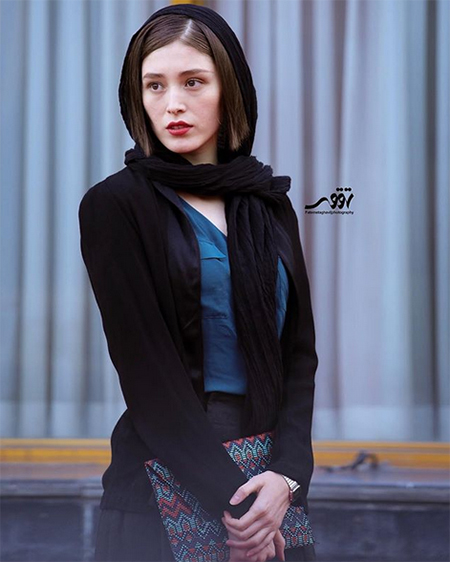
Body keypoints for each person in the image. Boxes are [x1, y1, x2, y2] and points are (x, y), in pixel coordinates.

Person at [78, 4, 318, 562]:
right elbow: (148, 375)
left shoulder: (268, 203)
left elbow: (299, 354)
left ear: (229, 90)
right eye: (154, 85)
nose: (173, 104)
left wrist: (287, 478)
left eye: (193, 82)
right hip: (166, 485)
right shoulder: (116, 206)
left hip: (270, 484)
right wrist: (240, 509)